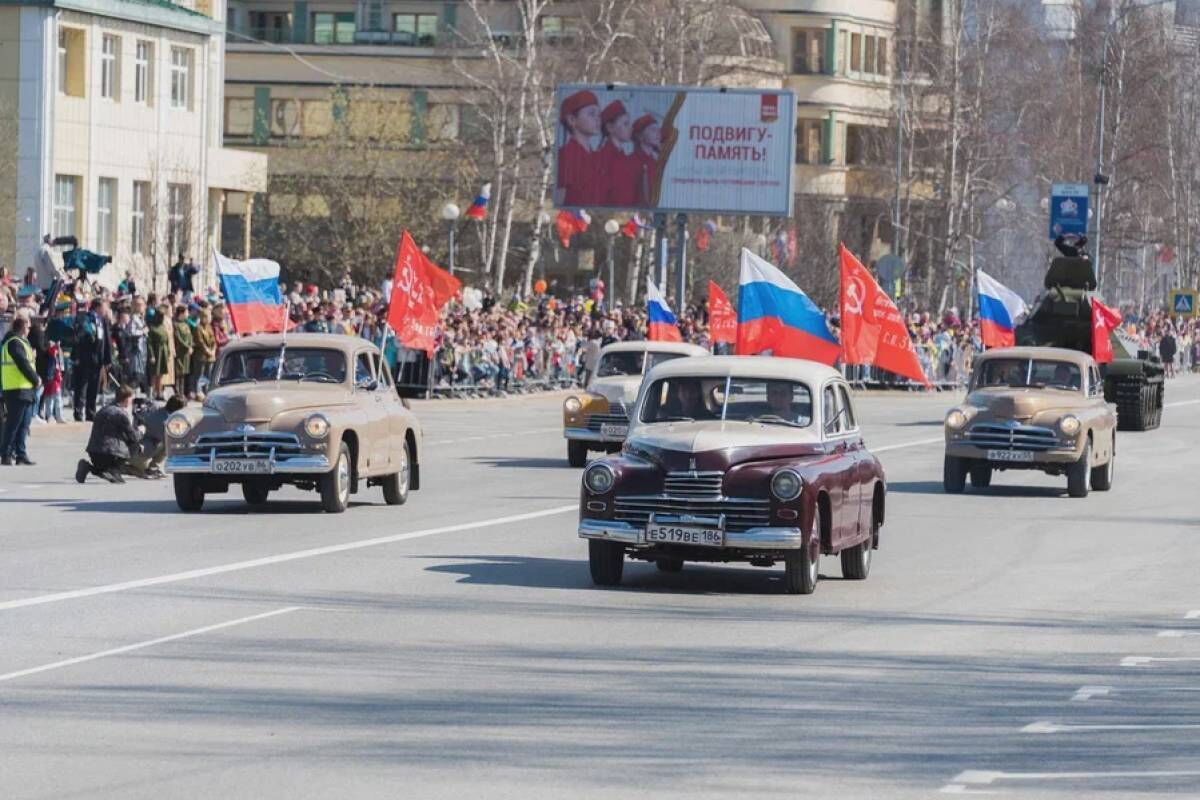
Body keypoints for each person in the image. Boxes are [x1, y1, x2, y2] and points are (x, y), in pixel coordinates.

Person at [76, 384, 142, 483]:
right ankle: (114, 469)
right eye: (131, 399)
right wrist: (141, 430)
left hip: (94, 453)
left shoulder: (103, 410)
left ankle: (90, 467)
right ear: (126, 399)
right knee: (136, 445)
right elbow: (133, 437)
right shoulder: (121, 414)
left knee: (108, 472)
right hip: (111, 455)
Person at [1, 315, 42, 465]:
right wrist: (36, 378)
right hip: (16, 388)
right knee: (13, 424)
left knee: (24, 425)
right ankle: (6, 454)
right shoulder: (14, 343)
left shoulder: (22, 342)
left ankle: (21, 454)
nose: (30, 329)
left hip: (24, 388)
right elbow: (22, 363)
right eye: (28, 326)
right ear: (23, 327)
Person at [555, 89, 601, 207]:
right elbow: (560, 199)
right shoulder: (565, 155)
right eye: (591, 114)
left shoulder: (596, 157)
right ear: (572, 120)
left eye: (598, 114)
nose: (597, 119)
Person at [72, 299, 112, 421]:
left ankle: (91, 411)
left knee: (94, 387)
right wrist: (77, 356)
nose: (106, 310)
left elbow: (107, 341)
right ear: (98, 307)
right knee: (82, 385)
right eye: (105, 307)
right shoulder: (85, 318)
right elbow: (78, 339)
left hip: (97, 359)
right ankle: (78, 411)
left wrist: (107, 359)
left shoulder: (103, 321)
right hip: (85, 357)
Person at [128, 394, 184, 478]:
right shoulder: (164, 422)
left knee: (166, 442)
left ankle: (152, 468)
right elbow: (174, 441)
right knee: (169, 443)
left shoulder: (160, 411)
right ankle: (131, 467)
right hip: (138, 452)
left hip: (139, 446)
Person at [596, 100, 640, 207]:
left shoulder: (623, 156)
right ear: (610, 128)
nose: (631, 127)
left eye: (629, 123)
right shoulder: (603, 157)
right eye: (625, 124)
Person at [631, 114, 662, 205]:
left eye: (658, 130)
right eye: (653, 130)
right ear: (640, 136)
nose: (658, 133)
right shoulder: (632, 161)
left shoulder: (658, 161)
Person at [172, 305, 193, 397]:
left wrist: (190, 345)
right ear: (181, 313)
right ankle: (177, 392)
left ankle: (182, 391)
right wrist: (186, 346)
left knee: (184, 373)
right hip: (180, 351)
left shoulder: (186, 324)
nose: (187, 314)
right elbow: (178, 338)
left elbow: (190, 336)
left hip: (186, 353)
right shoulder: (175, 324)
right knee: (178, 372)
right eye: (186, 312)